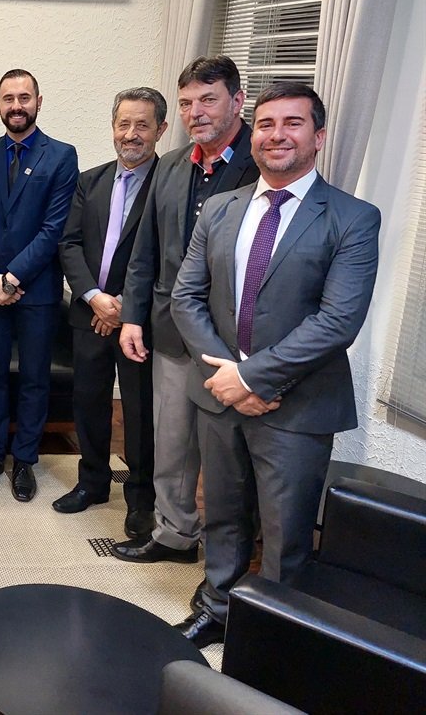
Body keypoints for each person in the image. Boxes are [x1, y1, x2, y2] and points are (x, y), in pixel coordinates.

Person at [169, 82, 380, 647]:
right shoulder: (221, 208)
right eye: (266, 124)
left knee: (286, 534)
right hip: (220, 396)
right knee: (222, 515)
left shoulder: (353, 217)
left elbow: (338, 321)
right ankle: (216, 608)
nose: (277, 135)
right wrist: (228, 377)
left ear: (319, 136)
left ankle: (275, 637)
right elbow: (186, 298)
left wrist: (251, 377)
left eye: (293, 123)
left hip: (298, 405)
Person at [112, 56, 260, 569]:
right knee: (172, 444)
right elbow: (145, 251)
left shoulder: (262, 163)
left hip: (235, 341)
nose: (196, 112)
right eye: (186, 103)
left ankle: (228, 563)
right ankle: (174, 536)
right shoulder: (171, 166)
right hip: (171, 332)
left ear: (237, 101)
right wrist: (133, 316)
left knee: (227, 459)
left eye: (208, 100)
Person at [56, 88, 167, 535]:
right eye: (124, 124)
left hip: (139, 322)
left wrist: (123, 307)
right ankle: (93, 483)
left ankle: (140, 499)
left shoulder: (169, 183)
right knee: (89, 401)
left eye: (142, 125)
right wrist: (93, 297)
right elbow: (69, 243)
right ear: (113, 127)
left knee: (138, 410)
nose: (131, 134)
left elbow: (169, 257)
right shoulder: (91, 180)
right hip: (89, 313)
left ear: (160, 129)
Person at [0, 69, 79, 501]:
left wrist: (13, 278)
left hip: (38, 290)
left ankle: (25, 460)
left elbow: (54, 228)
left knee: (34, 378)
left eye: (24, 97)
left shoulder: (62, 156)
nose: (17, 106)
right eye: (8, 98)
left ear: (38, 102)